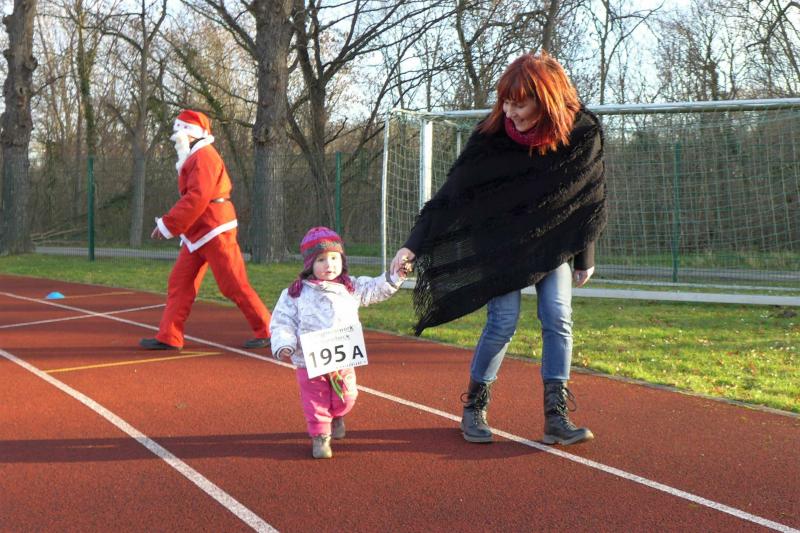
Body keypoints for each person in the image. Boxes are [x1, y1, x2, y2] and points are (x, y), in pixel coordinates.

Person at [390, 51, 607, 446]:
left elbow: (585, 197)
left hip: (551, 241)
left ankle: (555, 416)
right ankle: (474, 406)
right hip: (497, 241)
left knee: (558, 317)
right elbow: (450, 195)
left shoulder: (582, 132)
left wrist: (584, 255)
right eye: (506, 101)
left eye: (519, 103)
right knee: (503, 321)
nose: (510, 111)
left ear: (546, 99)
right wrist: (411, 247)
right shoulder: (491, 135)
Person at [139, 109, 272, 351]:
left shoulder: (204, 157)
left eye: (180, 132)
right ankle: (169, 336)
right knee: (180, 282)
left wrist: (168, 224)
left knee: (233, 283)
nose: (175, 138)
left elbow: (197, 197)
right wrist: (173, 224)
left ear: (192, 134)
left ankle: (268, 329)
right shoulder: (195, 157)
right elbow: (194, 199)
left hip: (214, 228)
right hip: (198, 231)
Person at [270, 226, 406, 459]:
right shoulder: (295, 293)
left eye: (334, 258)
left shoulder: (351, 287)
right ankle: (320, 437)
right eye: (321, 260)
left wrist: (397, 275)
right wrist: (284, 343)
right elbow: (282, 320)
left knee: (347, 396)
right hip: (309, 362)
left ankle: (336, 416)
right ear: (310, 264)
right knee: (315, 401)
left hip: (343, 359)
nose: (329, 265)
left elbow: (376, 288)